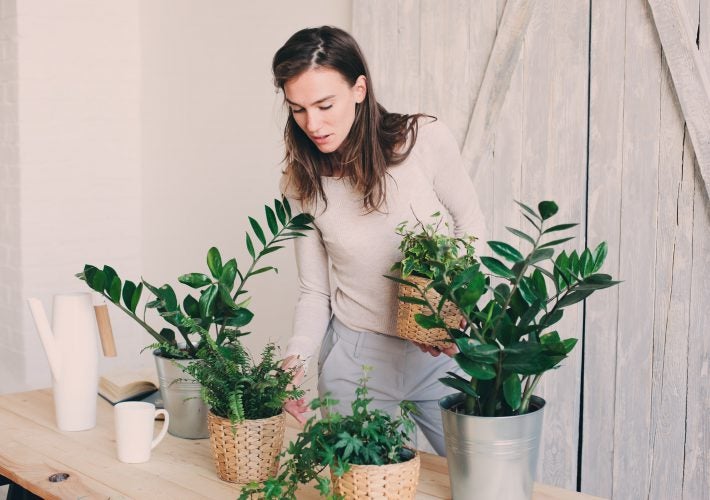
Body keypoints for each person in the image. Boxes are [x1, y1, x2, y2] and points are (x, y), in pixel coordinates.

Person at [273, 26, 485, 455]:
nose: (313, 124)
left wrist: (454, 311)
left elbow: (472, 226)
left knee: (480, 481)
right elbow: (315, 291)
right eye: (297, 110)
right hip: (357, 359)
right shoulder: (301, 180)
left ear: (359, 89)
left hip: (443, 355)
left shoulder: (423, 140)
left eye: (324, 105)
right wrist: (295, 362)